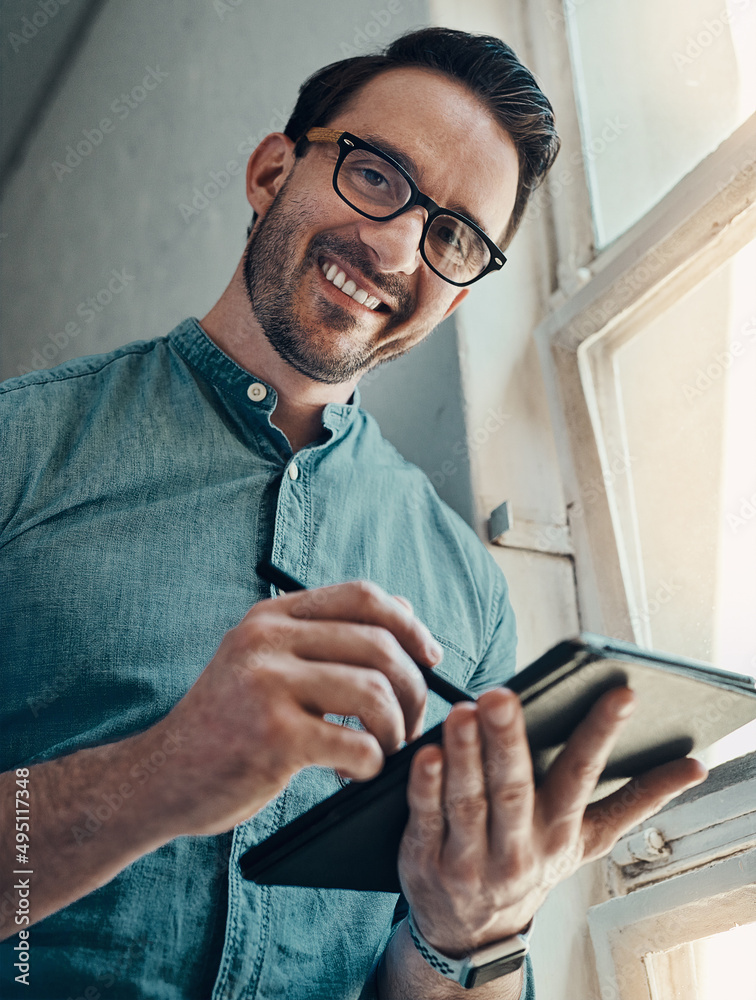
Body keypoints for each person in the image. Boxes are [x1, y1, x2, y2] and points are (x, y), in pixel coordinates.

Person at [0, 26, 706, 999]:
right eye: (376, 175)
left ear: (454, 301)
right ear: (269, 171)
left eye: (453, 236)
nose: (395, 245)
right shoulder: (18, 446)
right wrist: (159, 774)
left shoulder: (470, 596)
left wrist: (469, 936)